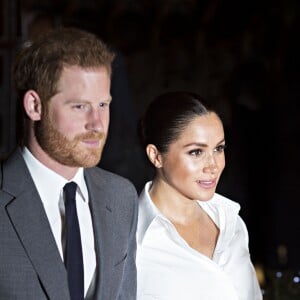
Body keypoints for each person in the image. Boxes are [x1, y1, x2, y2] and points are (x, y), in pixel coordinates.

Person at [0, 27, 138, 299]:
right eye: (79, 106)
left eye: (103, 105)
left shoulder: (121, 198)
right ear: (34, 106)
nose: (96, 124)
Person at [136, 91, 262, 300]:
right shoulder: (133, 242)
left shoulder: (232, 223)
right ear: (156, 156)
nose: (213, 165)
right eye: (196, 152)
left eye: (219, 149)